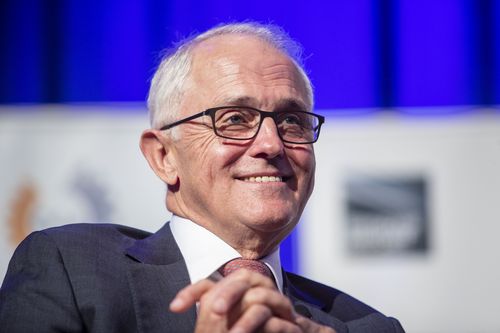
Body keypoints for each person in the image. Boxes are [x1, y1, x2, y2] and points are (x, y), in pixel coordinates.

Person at [0, 22, 404, 332]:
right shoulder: (71, 269)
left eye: (292, 121)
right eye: (234, 119)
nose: (271, 144)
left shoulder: (363, 326)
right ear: (163, 156)